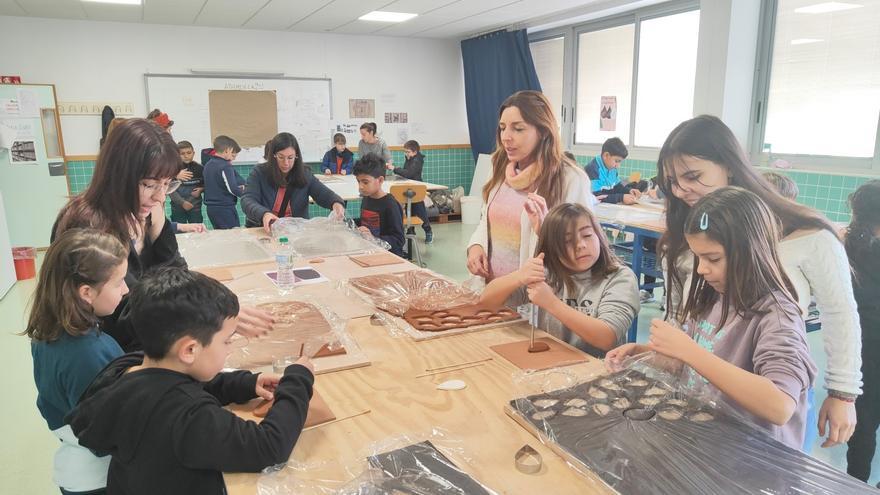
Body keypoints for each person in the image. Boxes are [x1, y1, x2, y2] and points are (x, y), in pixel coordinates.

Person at [655, 115, 862, 449]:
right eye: (672, 182)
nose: (680, 191)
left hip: (767, 400)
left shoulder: (805, 234)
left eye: (692, 176)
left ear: (730, 166)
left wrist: (843, 392)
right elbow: (686, 314)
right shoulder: (693, 229)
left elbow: (839, 314)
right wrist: (671, 353)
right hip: (710, 405)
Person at [67, 268, 315, 495]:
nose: (229, 348)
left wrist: (246, 383)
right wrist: (298, 379)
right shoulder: (188, 415)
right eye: (227, 341)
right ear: (189, 350)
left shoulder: (130, 366)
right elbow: (268, 446)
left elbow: (181, 382)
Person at [608, 187, 817, 450]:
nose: (701, 269)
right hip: (709, 440)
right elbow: (693, 365)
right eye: (697, 257)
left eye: (713, 258)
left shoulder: (777, 316)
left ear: (753, 251)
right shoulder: (715, 297)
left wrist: (689, 350)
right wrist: (644, 353)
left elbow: (780, 405)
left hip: (751, 459)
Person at [53, 119, 274, 350]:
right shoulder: (87, 227)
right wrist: (206, 315)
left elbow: (174, 272)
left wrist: (217, 303)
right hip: (109, 350)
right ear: (118, 175)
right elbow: (120, 315)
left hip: (149, 337)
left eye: (167, 184)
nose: (160, 197)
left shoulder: (149, 212)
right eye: (149, 185)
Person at [26, 229, 129, 495]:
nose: (126, 289)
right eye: (119, 282)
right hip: (100, 477)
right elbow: (104, 434)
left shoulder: (50, 330)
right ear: (86, 292)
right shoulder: (88, 354)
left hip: (76, 466)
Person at [480, 203, 639, 357]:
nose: (581, 245)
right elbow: (487, 303)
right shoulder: (548, 272)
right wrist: (519, 276)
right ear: (552, 249)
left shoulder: (620, 278)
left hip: (597, 367)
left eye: (587, 235)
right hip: (552, 359)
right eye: (568, 241)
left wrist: (551, 303)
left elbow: (607, 337)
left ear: (599, 236)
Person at [466, 90, 592, 281]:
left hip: (539, 290)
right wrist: (476, 246)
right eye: (502, 128)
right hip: (494, 289)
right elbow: (486, 220)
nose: (506, 137)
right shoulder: (499, 167)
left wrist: (546, 229)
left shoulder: (570, 178)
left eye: (518, 129)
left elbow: (580, 244)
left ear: (543, 131)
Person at [845, 180, 880, 482]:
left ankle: (854, 483)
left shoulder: (848, 245)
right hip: (870, 341)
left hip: (861, 343)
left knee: (864, 419)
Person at [242, 132, 346, 233]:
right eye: (281, 157)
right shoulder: (259, 172)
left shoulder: (304, 174)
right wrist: (264, 214)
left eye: (290, 158)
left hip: (295, 232)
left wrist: (336, 203)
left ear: (296, 156)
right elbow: (247, 199)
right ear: (273, 155)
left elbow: (322, 193)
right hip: (265, 230)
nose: (286, 163)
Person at [353, 153, 405, 257]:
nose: (360, 187)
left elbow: (398, 240)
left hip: (389, 257)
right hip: (370, 253)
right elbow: (367, 222)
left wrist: (373, 239)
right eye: (358, 181)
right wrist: (349, 223)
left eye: (365, 182)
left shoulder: (390, 204)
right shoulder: (367, 198)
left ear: (380, 180)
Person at [387, 139, 433, 243]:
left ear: (415, 152)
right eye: (405, 151)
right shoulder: (410, 158)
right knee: (409, 210)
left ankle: (428, 231)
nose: (406, 154)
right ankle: (411, 231)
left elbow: (409, 173)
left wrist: (394, 168)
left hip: (416, 190)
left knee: (420, 211)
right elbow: (406, 173)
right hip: (409, 188)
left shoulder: (417, 160)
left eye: (408, 152)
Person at [203, 135, 244, 229]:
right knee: (233, 234)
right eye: (233, 155)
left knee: (221, 235)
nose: (233, 159)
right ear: (227, 150)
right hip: (224, 208)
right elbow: (232, 189)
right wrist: (246, 194)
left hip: (211, 209)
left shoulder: (208, 164)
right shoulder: (225, 166)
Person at [585, 137, 641, 205]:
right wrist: (621, 198)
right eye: (616, 161)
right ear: (606, 155)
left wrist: (629, 190)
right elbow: (597, 196)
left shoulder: (611, 167)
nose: (618, 166)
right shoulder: (592, 169)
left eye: (620, 162)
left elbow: (617, 187)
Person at [169, 141, 204, 224]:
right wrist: (182, 202)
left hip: (195, 207)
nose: (186, 156)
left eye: (189, 153)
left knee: (197, 229)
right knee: (179, 230)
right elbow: (169, 189)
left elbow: (206, 184)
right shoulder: (172, 170)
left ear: (193, 153)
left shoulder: (200, 168)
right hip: (177, 207)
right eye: (182, 154)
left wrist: (201, 189)